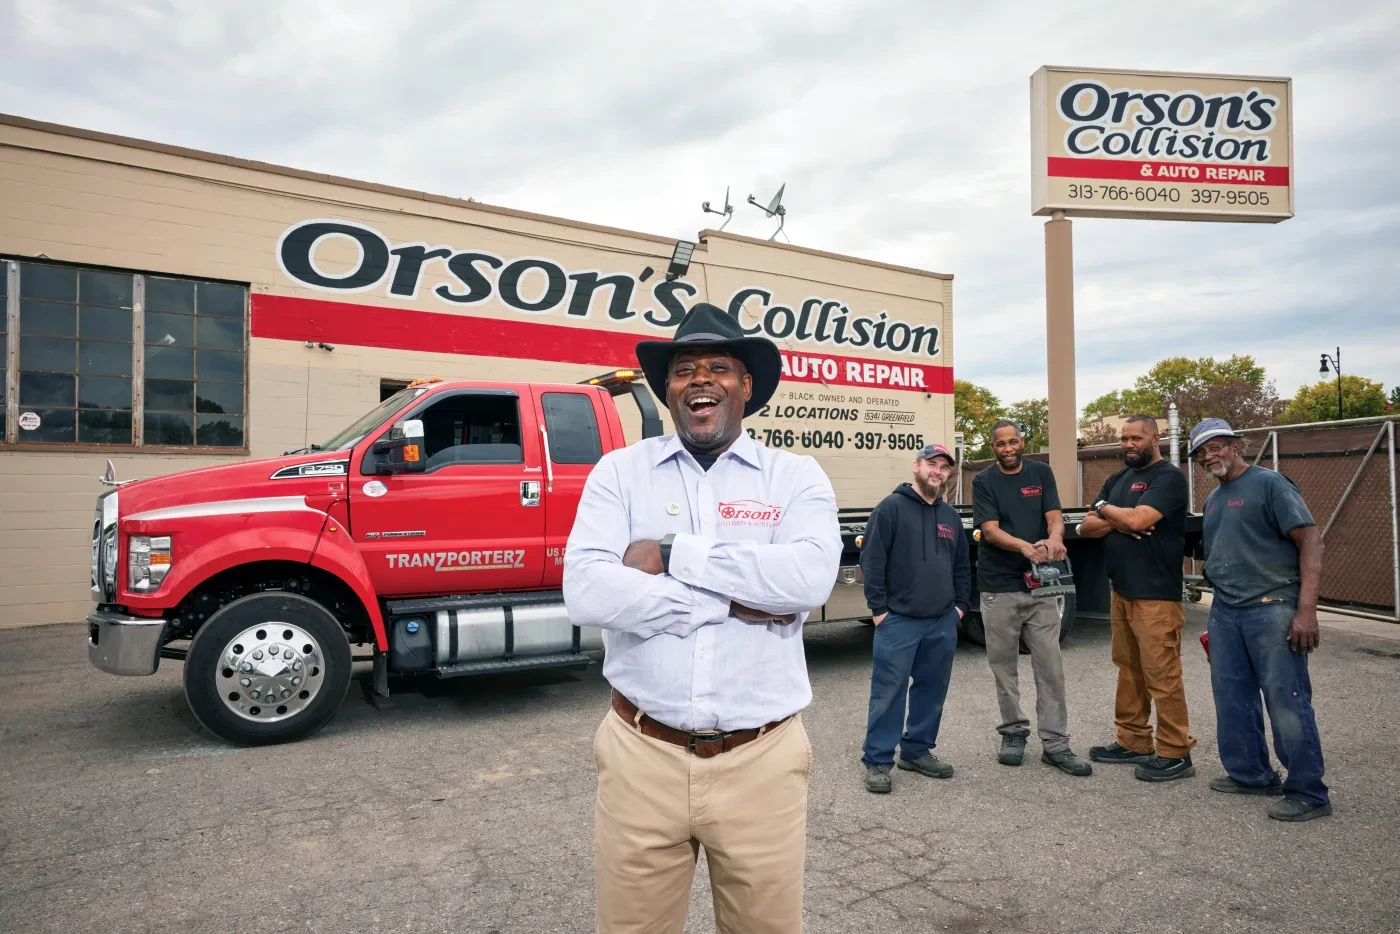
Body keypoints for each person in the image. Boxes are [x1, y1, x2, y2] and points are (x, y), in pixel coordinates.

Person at [564, 302, 842, 933]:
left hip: (762, 760)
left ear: (747, 387)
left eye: (720, 366)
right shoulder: (619, 473)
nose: (701, 378)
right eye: (685, 368)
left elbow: (807, 580)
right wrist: (734, 599)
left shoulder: (793, 477)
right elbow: (584, 591)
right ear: (668, 390)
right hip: (641, 753)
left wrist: (670, 555)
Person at [1190, 418, 1330, 822]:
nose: (1208, 456)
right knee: (1232, 696)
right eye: (1202, 452)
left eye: (1216, 446)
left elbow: (1311, 543)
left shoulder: (1271, 485)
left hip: (1272, 607)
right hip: (1226, 610)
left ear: (1236, 446)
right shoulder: (1215, 499)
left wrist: (1306, 611)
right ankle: (1251, 774)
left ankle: (1308, 792)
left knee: (1286, 699)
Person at [1079, 415, 1197, 782]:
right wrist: (1119, 517)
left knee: (1162, 675)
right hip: (1122, 591)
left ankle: (1176, 752)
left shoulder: (1169, 479)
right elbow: (1086, 527)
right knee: (1129, 670)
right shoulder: (1118, 479)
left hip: (1156, 597)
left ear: (1155, 438)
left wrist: (1112, 513)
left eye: (1137, 438)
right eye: (1124, 438)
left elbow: (1138, 520)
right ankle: (1133, 742)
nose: (1129, 444)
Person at [971, 420, 1092, 776]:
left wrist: (1055, 537)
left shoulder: (1041, 473)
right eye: (1000, 444)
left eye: (1013, 442)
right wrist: (1026, 547)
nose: (1008, 449)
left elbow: (1054, 516)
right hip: (999, 587)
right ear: (992, 446)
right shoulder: (984, 481)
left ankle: (1056, 744)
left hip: (1040, 588)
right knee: (1004, 668)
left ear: (1022, 442)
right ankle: (1013, 733)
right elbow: (990, 531)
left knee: (1050, 667)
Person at [859, 442, 972, 794]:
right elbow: (872, 563)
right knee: (888, 692)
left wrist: (960, 607)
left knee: (931, 690)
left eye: (944, 467)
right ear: (916, 466)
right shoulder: (890, 509)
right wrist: (879, 612)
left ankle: (916, 750)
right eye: (932, 464)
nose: (937, 471)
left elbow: (961, 566)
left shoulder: (950, 516)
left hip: (941, 622)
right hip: (898, 623)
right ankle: (878, 760)